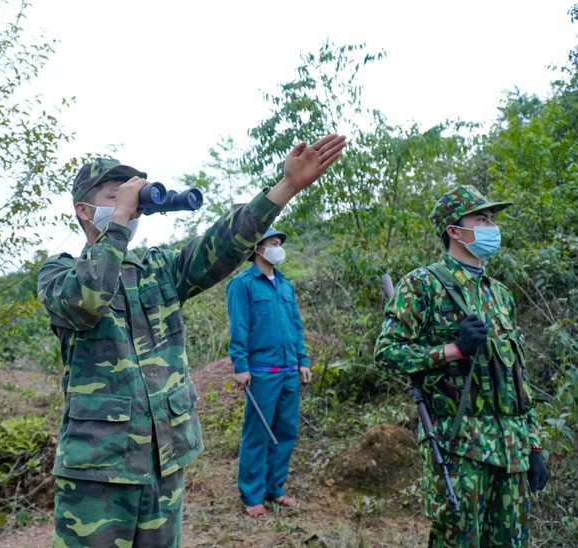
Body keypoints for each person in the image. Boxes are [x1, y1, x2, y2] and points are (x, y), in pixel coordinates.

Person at [38, 135, 345, 547]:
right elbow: (88, 299)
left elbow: (223, 244)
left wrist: (285, 187)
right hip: (98, 468)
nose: (131, 207)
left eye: (134, 198)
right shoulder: (58, 275)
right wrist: (116, 227)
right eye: (118, 196)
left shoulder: (157, 268)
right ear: (84, 210)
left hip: (164, 460)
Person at [374, 185, 550, 547]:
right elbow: (387, 352)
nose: (490, 227)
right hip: (460, 448)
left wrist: (533, 446)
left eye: (491, 220)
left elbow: (518, 377)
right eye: (481, 219)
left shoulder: (499, 293)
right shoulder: (423, 285)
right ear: (453, 230)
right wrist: (454, 349)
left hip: (512, 449)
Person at [226, 227, 311, 519]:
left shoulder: (285, 284)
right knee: (257, 433)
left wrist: (303, 360)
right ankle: (252, 495)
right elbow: (239, 327)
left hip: (289, 370)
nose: (278, 248)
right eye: (273, 243)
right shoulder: (243, 284)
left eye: (279, 243)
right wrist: (240, 366)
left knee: (286, 431)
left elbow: (296, 325)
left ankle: (275, 488)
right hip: (262, 372)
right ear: (258, 249)